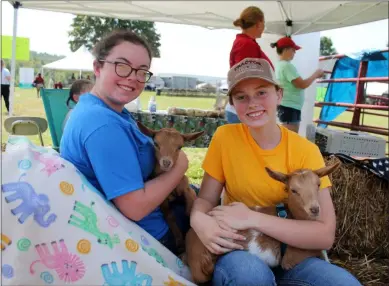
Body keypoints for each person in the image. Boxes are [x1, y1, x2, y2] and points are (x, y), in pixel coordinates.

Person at [190, 58, 362, 286]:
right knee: (250, 276)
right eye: (241, 97)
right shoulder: (225, 137)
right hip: (243, 248)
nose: (252, 103)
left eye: (262, 92)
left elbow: (324, 234)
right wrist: (198, 219)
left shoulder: (306, 151)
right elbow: (205, 198)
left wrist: (251, 217)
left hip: (295, 253)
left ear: (279, 95)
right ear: (232, 102)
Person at [60, 30, 190, 255]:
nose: (132, 77)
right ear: (98, 67)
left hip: (155, 213)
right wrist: (180, 166)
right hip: (147, 236)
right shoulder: (101, 123)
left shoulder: (112, 112)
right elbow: (135, 208)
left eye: (142, 71)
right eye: (122, 65)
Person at [224, 6, 274, 124]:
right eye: (264, 23)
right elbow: (246, 79)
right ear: (259, 23)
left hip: (246, 107)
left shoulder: (246, 43)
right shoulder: (246, 45)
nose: (264, 28)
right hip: (246, 108)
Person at [271, 36, 324, 133]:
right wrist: (315, 75)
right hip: (290, 107)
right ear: (286, 49)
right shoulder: (287, 66)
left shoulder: (279, 65)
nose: (294, 52)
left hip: (287, 106)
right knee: (291, 139)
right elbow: (302, 84)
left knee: (287, 138)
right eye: (293, 50)